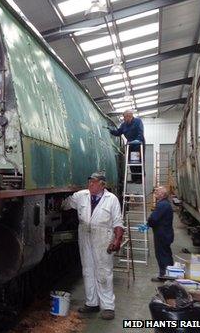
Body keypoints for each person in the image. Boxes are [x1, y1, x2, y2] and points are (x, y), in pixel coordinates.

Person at [62, 172, 124, 321]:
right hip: (85, 235)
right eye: (89, 182)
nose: (90, 185)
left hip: (103, 237)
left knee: (103, 271)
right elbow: (66, 204)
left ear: (103, 185)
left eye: (94, 182)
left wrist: (117, 240)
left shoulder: (112, 200)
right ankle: (92, 303)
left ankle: (108, 306)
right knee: (88, 269)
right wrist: (59, 205)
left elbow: (118, 223)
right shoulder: (81, 196)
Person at [108, 110, 145, 183]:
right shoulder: (124, 124)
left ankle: (139, 179)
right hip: (130, 144)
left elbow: (140, 132)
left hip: (138, 144)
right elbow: (118, 132)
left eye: (125, 117)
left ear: (129, 116)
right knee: (131, 162)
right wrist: (111, 130)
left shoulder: (138, 121)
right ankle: (134, 179)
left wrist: (138, 140)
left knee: (136, 161)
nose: (124, 119)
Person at [147, 186, 174, 282]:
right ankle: (168, 274)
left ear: (162, 194)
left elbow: (153, 218)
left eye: (157, 192)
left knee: (162, 255)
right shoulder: (166, 203)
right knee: (166, 254)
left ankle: (164, 276)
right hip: (165, 233)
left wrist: (148, 223)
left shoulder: (162, 205)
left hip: (162, 234)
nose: (155, 194)